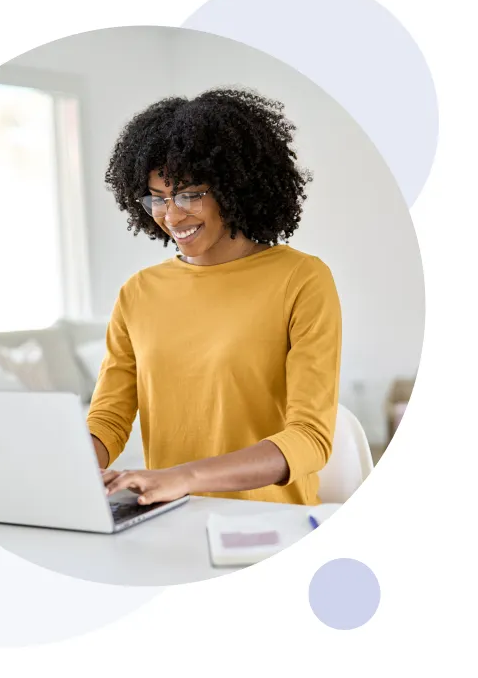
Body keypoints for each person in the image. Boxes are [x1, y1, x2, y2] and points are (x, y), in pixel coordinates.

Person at [88, 87, 342, 507]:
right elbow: (109, 419)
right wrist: (64, 467)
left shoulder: (301, 279)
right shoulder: (139, 292)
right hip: (168, 516)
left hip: (268, 526)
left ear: (233, 186)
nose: (172, 215)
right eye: (158, 198)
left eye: (189, 194)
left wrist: (182, 477)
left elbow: (309, 438)